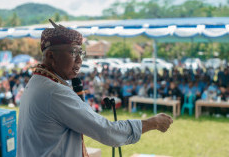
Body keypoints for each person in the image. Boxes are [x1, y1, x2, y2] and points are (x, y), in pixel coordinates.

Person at [17, 19, 173, 157]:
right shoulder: (54, 92)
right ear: (51, 56)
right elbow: (107, 132)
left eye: (81, 53)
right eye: (73, 52)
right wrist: (152, 123)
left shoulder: (37, 82)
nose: (79, 60)